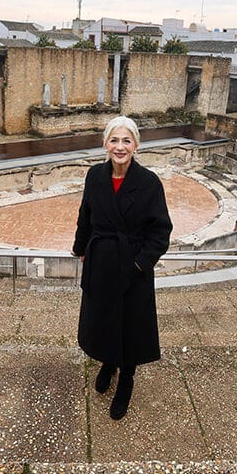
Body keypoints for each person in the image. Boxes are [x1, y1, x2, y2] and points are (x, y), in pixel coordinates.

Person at [72, 116, 173, 420]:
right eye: (114, 140)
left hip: (132, 268)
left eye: (126, 141)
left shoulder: (149, 183)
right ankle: (108, 361)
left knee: (130, 325)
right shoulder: (94, 176)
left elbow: (161, 232)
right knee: (103, 319)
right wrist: (81, 248)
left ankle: (126, 377)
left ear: (136, 146)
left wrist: (139, 264)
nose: (120, 147)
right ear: (105, 144)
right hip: (101, 263)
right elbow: (85, 215)